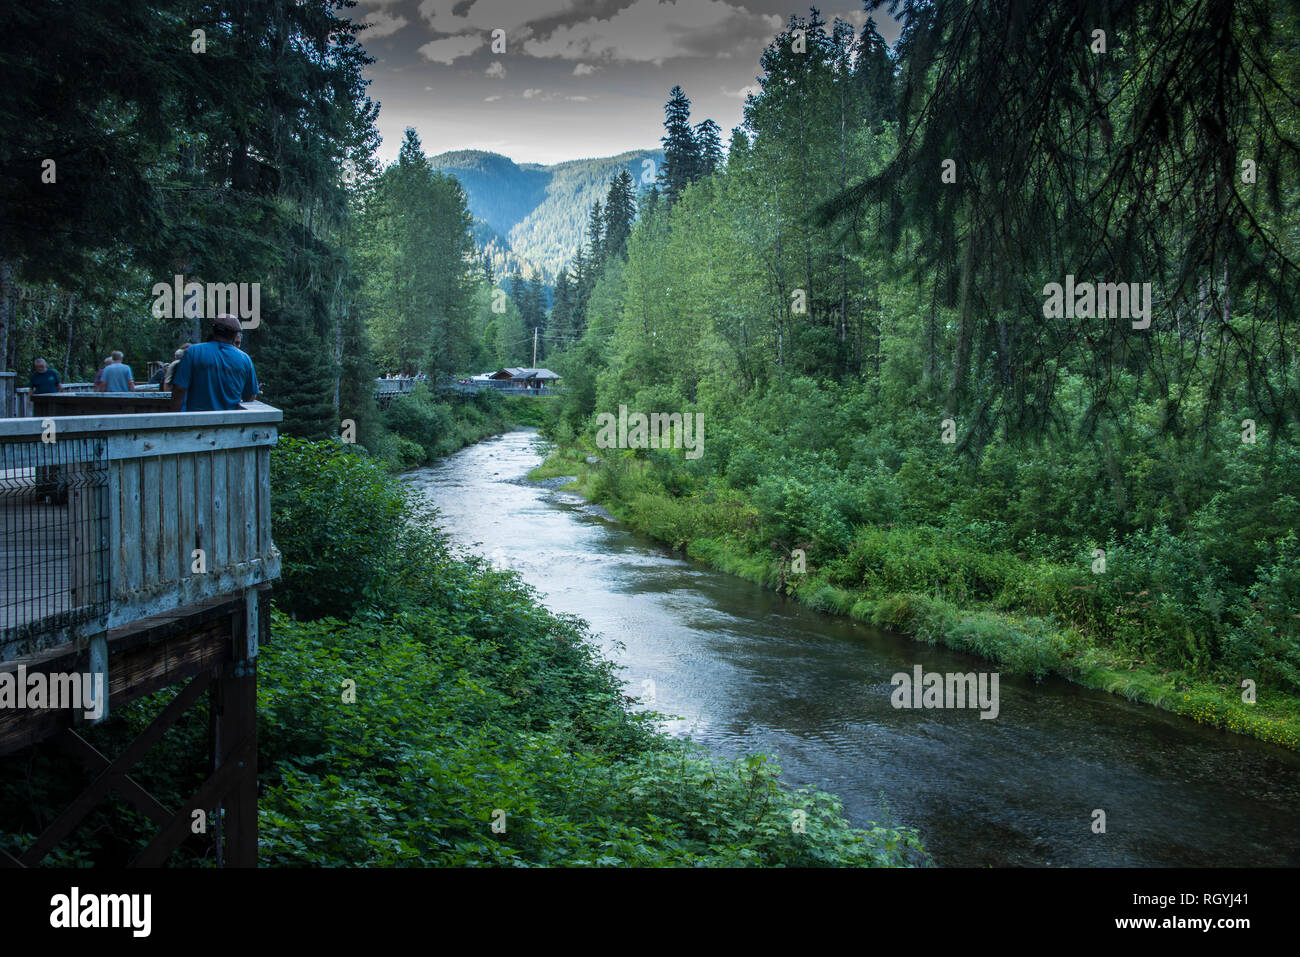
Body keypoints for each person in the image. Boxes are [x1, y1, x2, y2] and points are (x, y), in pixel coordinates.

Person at [169, 315, 259, 412]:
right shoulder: (245, 359)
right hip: (230, 423)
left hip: (197, 421)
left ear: (213, 330)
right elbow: (250, 396)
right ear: (234, 335)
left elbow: (179, 389)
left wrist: (175, 417)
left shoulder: (193, 352)